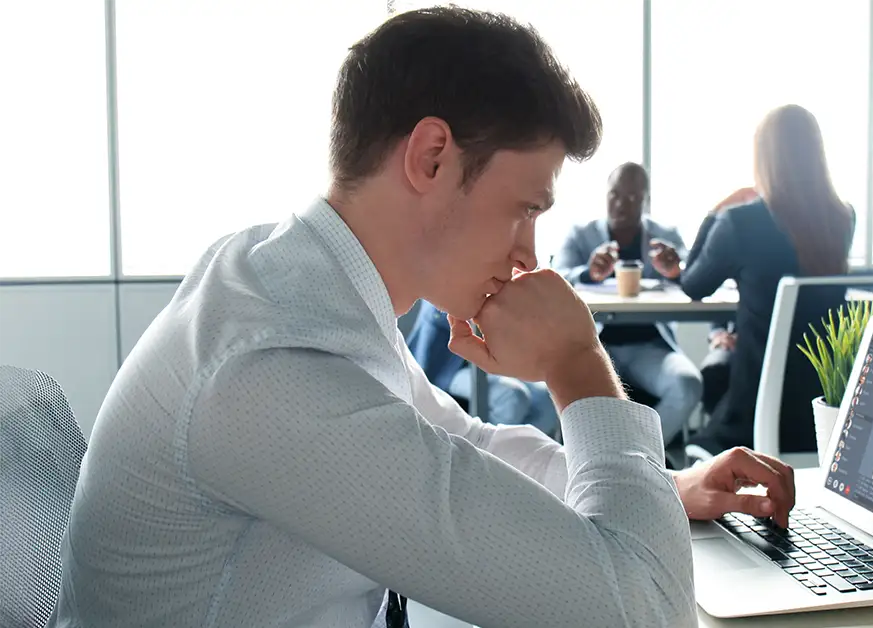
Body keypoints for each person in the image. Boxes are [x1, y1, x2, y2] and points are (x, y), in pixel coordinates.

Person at [51, 9, 797, 628]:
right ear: (433, 157)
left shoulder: (298, 283)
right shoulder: (271, 368)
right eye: (524, 209)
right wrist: (576, 359)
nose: (527, 257)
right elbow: (641, 610)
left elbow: (461, 442)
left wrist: (665, 490)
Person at [679, 104, 856, 455]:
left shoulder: (740, 222)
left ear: (764, 159)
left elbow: (694, 285)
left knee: (698, 440)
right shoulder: (842, 218)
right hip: (824, 415)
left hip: (751, 418)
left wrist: (715, 212)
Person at [554, 162, 702, 446]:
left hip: (651, 347)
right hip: (593, 347)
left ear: (645, 200)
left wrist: (676, 270)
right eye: (615, 195)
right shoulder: (581, 236)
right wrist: (588, 273)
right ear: (606, 194)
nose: (622, 204)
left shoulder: (665, 236)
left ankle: (639, 454)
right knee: (559, 386)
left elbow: (696, 277)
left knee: (687, 385)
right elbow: (556, 278)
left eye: (633, 197)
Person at [407, 299, 558, 435]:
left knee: (547, 399)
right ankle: (485, 456)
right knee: (511, 397)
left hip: (489, 361)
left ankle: (515, 459)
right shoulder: (445, 283)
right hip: (447, 367)